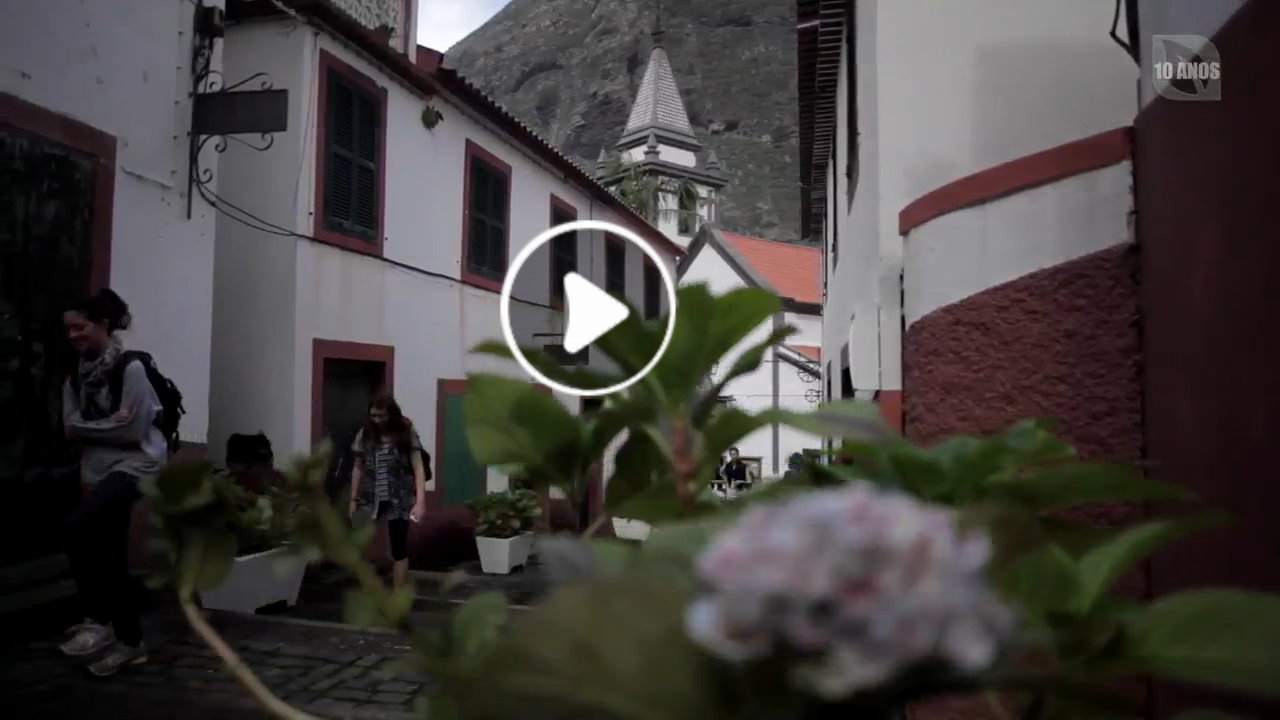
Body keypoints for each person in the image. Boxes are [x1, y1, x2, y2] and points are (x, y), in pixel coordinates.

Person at [58, 289, 165, 676]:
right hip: (100, 468)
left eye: (80, 326)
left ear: (103, 324)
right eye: (68, 329)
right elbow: (69, 428)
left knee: (77, 527)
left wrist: (92, 427)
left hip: (137, 465)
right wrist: (108, 424)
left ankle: (97, 619)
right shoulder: (76, 374)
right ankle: (131, 643)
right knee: (110, 552)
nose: (73, 335)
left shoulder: (130, 369)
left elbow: (132, 431)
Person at [348, 395, 429, 588]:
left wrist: (420, 502)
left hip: (399, 497)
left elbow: (418, 467)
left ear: (391, 414)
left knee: (398, 546)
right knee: (361, 542)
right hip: (369, 496)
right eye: (373, 416)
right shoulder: (365, 434)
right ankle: (369, 588)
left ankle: (397, 592)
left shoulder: (406, 432)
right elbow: (357, 467)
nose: (377, 420)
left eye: (381, 416)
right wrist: (352, 499)